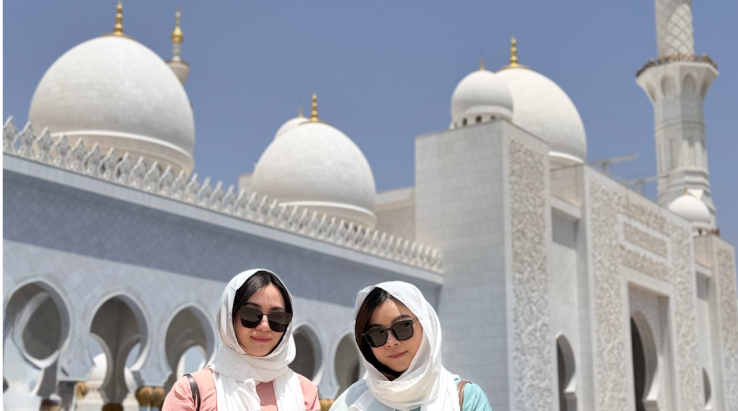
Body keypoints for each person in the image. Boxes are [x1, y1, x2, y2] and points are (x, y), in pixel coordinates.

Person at [163, 269, 320, 411]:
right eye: (251, 314)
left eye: (277, 317)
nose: (264, 326)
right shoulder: (191, 392)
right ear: (229, 318)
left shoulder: (304, 393)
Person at [330, 281, 492, 411]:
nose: (391, 342)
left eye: (403, 327)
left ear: (425, 326)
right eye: (377, 334)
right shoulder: (351, 403)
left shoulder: (465, 399)